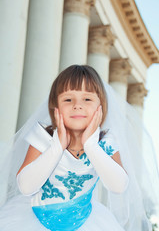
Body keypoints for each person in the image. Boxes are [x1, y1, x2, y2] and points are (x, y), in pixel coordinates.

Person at [0, 65, 158, 231]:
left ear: (101, 106)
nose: (77, 105)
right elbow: (25, 187)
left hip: (87, 223)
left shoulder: (106, 142)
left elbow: (118, 186)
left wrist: (91, 146)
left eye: (87, 99)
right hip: (33, 221)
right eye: (68, 99)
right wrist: (57, 147)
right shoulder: (43, 137)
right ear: (55, 107)